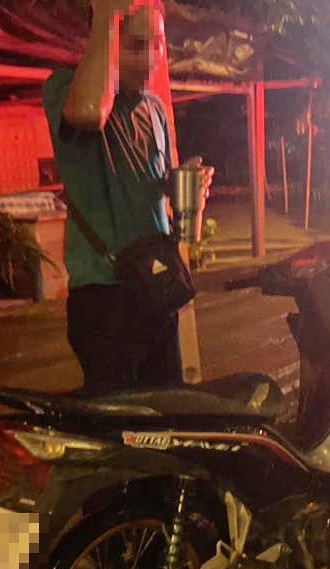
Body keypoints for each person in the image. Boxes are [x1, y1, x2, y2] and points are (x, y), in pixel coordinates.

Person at [43, 0, 190, 396]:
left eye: (156, 45)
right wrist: (108, 14)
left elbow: (157, 187)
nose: (149, 59)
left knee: (171, 413)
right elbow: (90, 112)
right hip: (104, 299)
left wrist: (187, 189)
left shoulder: (154, 110)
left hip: (156, 289)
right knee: (119, 424)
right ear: (105, 41)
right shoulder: (65, 89)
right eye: (135, 46)